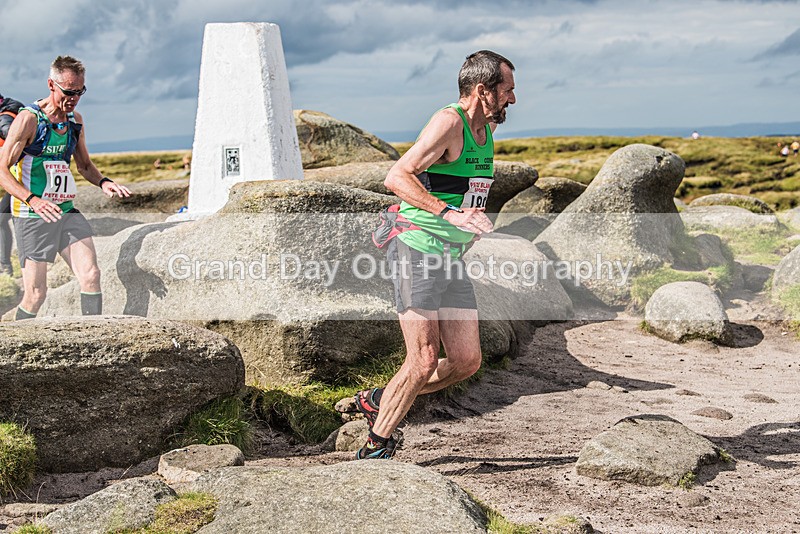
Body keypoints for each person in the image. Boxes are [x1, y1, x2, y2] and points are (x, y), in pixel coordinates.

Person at [353, 50, 516, 459]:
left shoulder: (486, 132)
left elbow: (464, 189)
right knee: (423, 359)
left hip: (450, 257)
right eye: (507, 90)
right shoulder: (449, 123)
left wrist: (473, 220)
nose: (513, 99)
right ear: (483, 90)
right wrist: (448, 214)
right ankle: (377, 444)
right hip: (416, 249)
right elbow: (397, 176)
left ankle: (383, 398)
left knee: (465, 360)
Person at [0, 56, 132, 320]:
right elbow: (2, 171)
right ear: (51, 84)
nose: (73, 98)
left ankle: (92, 338)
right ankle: (12, 353)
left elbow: (84, 165)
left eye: (80, 92)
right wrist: (32, 199)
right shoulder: (29, 120)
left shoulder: (74, 121)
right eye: (68, 92)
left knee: (91, 275)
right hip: (33, 216)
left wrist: (104, 182)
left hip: (66, 211)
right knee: (36, 295)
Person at [0, 92, 25, 277]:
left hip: (23, 178)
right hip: (22, 176)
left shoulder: (5, 118)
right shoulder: (13, 110)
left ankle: (5, 267)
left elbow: (9, 134)